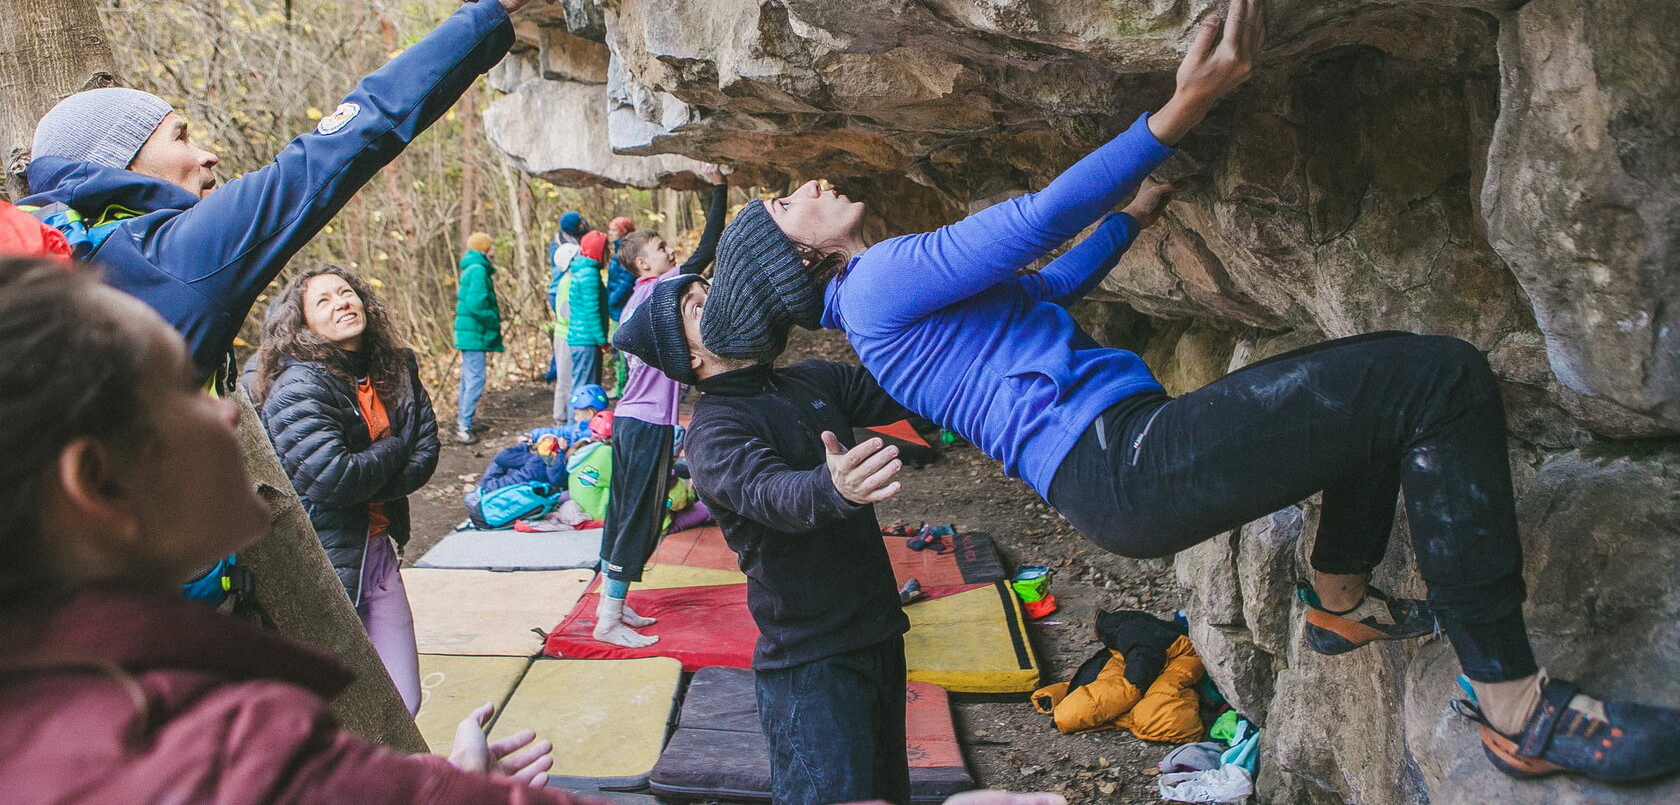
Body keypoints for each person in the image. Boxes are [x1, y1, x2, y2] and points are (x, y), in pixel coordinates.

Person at [702, 0, 1680, 785]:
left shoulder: (877, 318)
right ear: (796, 260)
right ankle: (1512, 706)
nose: (812, 186)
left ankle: (1339, 600)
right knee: (1444, 380)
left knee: (1377, 400)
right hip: (1128, 461)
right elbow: (1038, 221)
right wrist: (1187, 104)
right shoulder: (880, 280)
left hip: (1121, 466)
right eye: (792, 203)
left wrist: (1135, 215)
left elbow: (1043, 285)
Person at [0, 257, 1072, 805]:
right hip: (809, 651)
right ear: (97, 485)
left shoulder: (111, 716)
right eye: (184, 392)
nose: (230, 410)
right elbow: (773, 495)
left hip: (861, 634)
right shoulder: (228, 756)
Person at [18, 0, 569, 389]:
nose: (207, 155)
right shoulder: (169, 259)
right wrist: (494, 5)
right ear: (118, 163)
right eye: (179, 137)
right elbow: (356, 131)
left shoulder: (61, 274)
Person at [615, 274, 917, 805]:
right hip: (810, 667)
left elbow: (909, 388)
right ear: (690, 355)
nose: (722, 301)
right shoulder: (712, 432)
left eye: (714, 290)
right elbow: (771, 493)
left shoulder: (813, 380)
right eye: (698, 306)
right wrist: (835, 486)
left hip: (881, 633)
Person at [245, 264, 439, 715]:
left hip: (379, 549)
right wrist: (392, 448)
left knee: (403, 697)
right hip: (323, 557)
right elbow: (332, 478)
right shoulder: (298, 384)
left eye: (346, 292)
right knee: (330, 702)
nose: (342, 303)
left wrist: (371, 469)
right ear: (303, 323)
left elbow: (426, 454)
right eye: (324, 301)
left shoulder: (395, 366)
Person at [590, 168, 728, 648]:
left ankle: (614, 601)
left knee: (622, 511)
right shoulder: (661, 293)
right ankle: (607, 619)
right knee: (640, 517)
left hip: (631, 420)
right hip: (646, 424)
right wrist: (719, 187)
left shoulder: (636, 299)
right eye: (662, 249)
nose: (672, 252)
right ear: (645, 265)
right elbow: (709, 246)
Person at [454, 231, 503, 444]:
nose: (493, 249)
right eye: (490, 246)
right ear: (484, 248)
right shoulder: (478, 271)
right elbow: (476, 304)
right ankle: (464, 426)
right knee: (476, 378)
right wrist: (493, 320)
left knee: (469, 377)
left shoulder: (473, 268)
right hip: (474, 334)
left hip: (470, 333)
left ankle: (463, 421)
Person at [565, 230, 610, 398]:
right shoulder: (589, 274)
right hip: (586, 341)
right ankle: (576, 423)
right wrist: (602, 340)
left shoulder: (584, 271)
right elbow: (592, 311)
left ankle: (583, 422)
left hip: (583, 339)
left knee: (584, 386)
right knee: (583, 390)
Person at [545, 212, 587, 386]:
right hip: (561, 292)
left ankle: (558, 372)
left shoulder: (564, 239)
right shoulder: (565, 246)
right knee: (566, 332)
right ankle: (559, 372)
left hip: (559, 291)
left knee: (564, 332)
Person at [603, 214, 638, 398]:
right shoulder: (619, 251)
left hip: (622, 307)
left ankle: (622, 387)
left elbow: (626, 280)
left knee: (619, 348)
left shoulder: (625, 252)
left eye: (614, 229)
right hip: (617, 307)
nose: (610, 233)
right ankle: (621, 385)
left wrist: (611, 300)